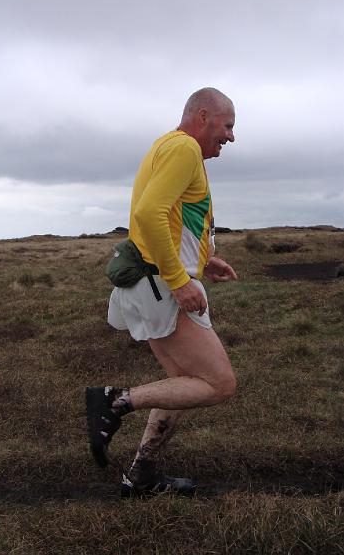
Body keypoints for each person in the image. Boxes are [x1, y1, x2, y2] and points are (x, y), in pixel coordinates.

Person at [86, 87, 238, 497]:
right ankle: (114, 402)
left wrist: (204, 260)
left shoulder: (170, 147)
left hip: (152, 283)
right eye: (228, 126)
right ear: (202, 116)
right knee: (219, 383)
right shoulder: (184, 148)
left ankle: (140, 475)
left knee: (182, 383)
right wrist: (179, 280)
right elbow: (147, 213)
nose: (232, 137)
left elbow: (172, 218)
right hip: (161, 286)